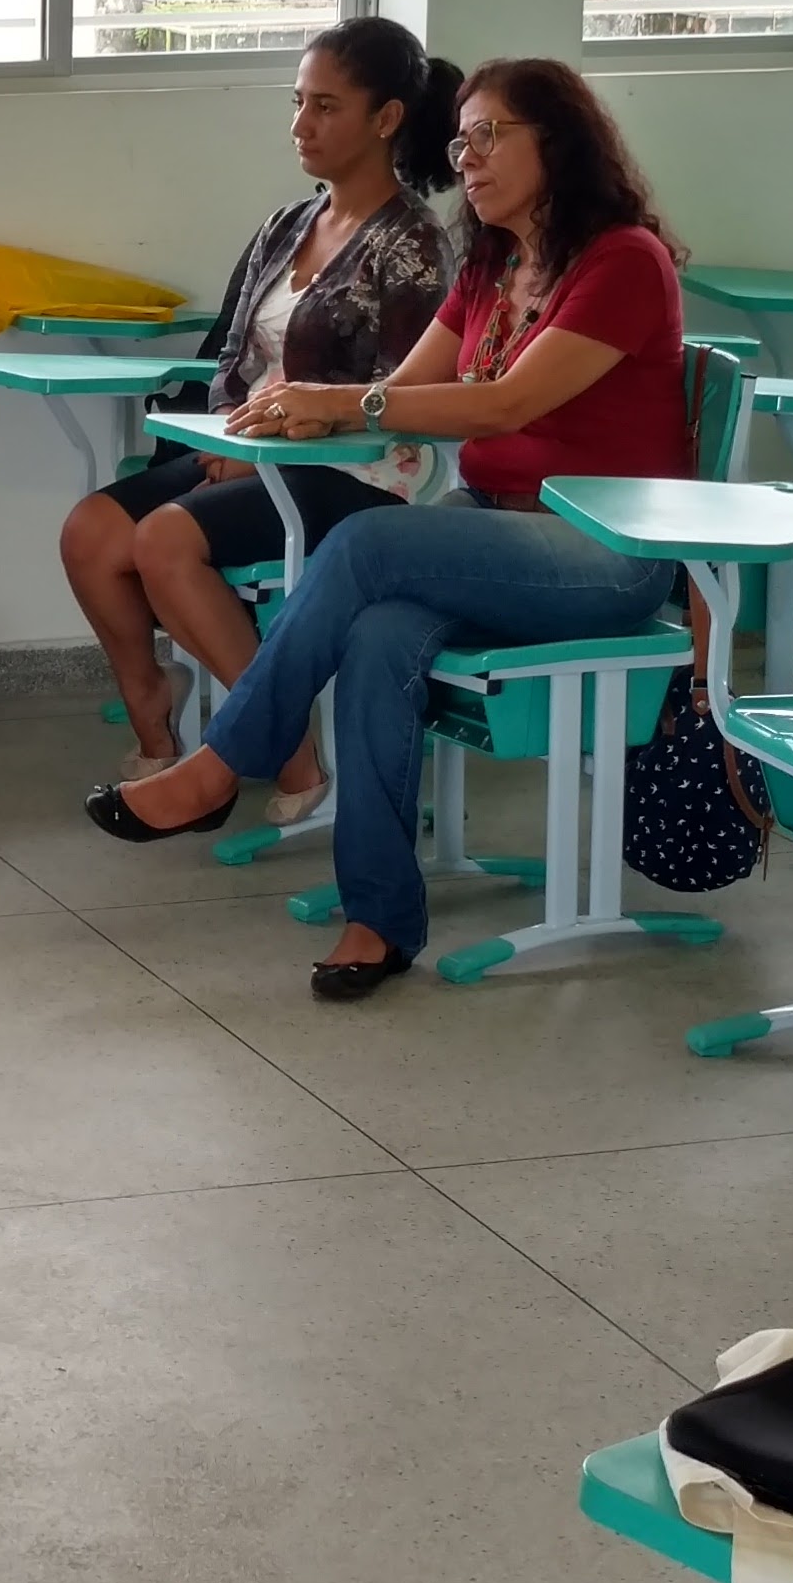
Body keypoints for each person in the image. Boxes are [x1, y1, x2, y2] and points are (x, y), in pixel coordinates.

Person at [79, 59, 695, 1001]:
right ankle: (378, 916)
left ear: (558, 143)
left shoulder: (621, 260)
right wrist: (304, 410)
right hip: (494, 528)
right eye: (461, 139)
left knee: (365, 544)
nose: (468, 158)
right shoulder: (493, 259)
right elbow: (406, 390)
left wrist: (342, 400)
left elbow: (503, 406)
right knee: (375, 633)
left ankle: (222, 763)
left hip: (605, 550)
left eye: (491, 135)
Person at [59, 16, 462, 777]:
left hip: (362, 471)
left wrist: (260, 452)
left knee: (164, 541)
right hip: (253, 451)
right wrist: (224, 440)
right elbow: (231, 355)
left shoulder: (411, 245)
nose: (302, 125)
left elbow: (404, 394)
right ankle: (154, 707)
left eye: (326, 106)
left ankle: (287, 750)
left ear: (387, 119)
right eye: (297, 102)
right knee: (91, 533)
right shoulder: (287, 224)